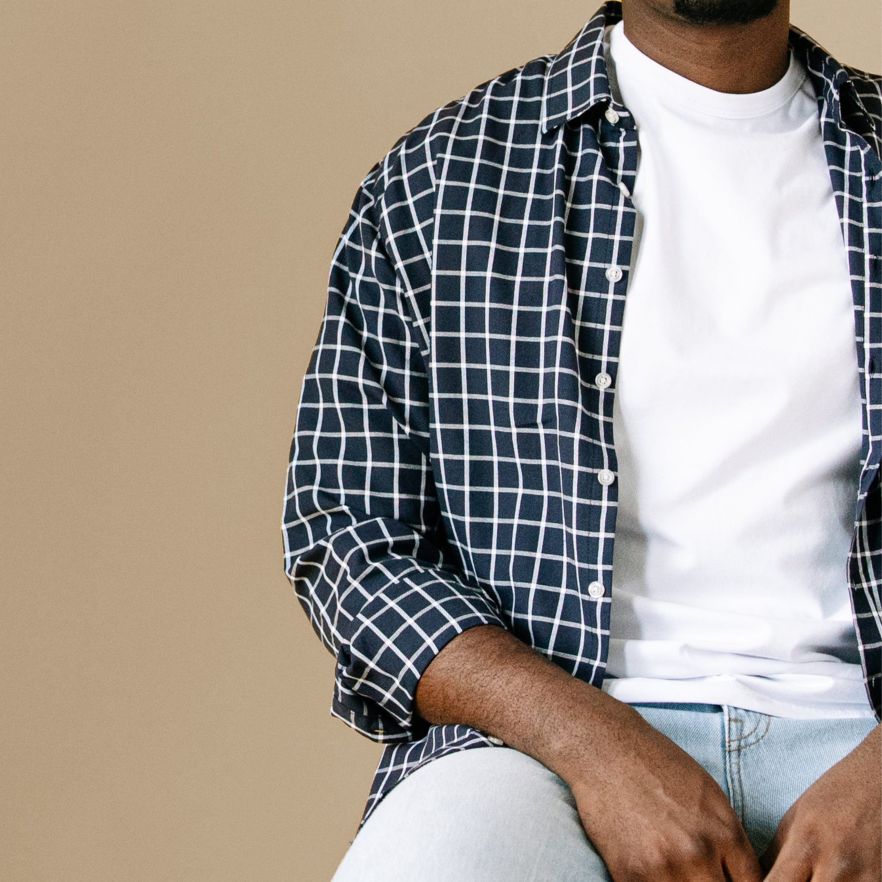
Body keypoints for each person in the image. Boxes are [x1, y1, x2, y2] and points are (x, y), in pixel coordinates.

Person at [280, 0, 882, 878]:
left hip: (862, 733)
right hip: (545, 750)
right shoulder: (442, 179)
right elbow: (347, 540)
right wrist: (594, 745)